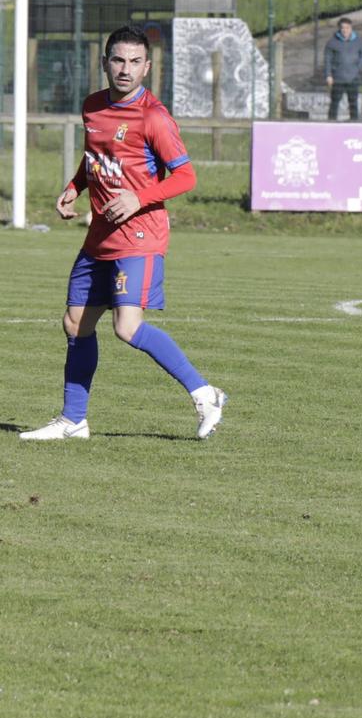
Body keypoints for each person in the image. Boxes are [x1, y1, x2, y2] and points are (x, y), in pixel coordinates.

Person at [21, 27, 226, 442]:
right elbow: (95, 158)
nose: (125, 69)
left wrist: (139, 198)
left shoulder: (154, 117)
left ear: (147, 67)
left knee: (127, 326)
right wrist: (73, 187)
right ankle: (73, 420)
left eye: (135, 62)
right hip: (99, 235)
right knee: (76, 322)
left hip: (140, 236)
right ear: (104, 62)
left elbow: (186, 176)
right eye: (118, 60)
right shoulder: (93, 106)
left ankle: (206, 394)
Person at [324, 18, 362, 121]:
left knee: (353, 103)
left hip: (353, 78)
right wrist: (328, 75)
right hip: (338, 78)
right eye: (342, 28)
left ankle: (354, 124)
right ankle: (331, 124)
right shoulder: (332, 43)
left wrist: (357, 67)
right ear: (339, 28)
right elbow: (327, 60)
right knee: (334, 103)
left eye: (347, 28)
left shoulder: (358, 41)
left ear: (351, 28)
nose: (345, 30)